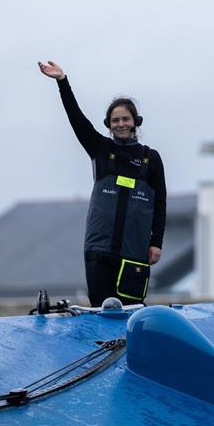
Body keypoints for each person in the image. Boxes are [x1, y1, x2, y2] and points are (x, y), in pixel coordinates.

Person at [38, 61, 167, 306]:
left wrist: (156, 243)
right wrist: (62, 82)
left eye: (125, 119)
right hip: (99, 250)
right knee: (101, 310)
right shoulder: (100, 148)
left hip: (134, 251)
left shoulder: (151, 158)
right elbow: (76, 118)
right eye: (115, 120)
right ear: (108, 124)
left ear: (135, 121)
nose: (121, 124)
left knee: (131, 311)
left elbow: (160, 203)